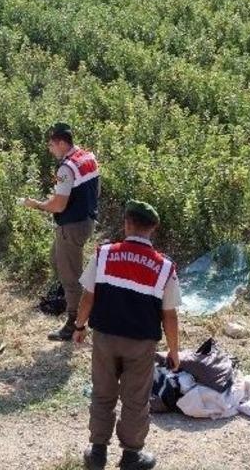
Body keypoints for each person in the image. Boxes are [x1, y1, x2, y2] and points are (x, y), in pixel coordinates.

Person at [73, 200, 181, 470]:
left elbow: (88, 297)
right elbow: (169, 315)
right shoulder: (165, 267)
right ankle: (131, 456)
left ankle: (97, 453)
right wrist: (174, 350)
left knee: (102, 392)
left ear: (127, 224)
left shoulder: (104, 254)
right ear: (153, 228)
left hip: (105, 338)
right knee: (136, 399)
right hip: (141, 343)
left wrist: (79, 326)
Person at [22, 122, 100, 341]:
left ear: (61, 143)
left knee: (70, 276)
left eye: (51, 145)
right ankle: (75, 301)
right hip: (86, 220)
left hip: (72, 226)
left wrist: (36, 204)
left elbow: (58, 205)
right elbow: (95, 190)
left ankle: (75, 322)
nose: (50, 149)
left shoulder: (66, 168)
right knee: (56, 259)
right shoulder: (88, 157)